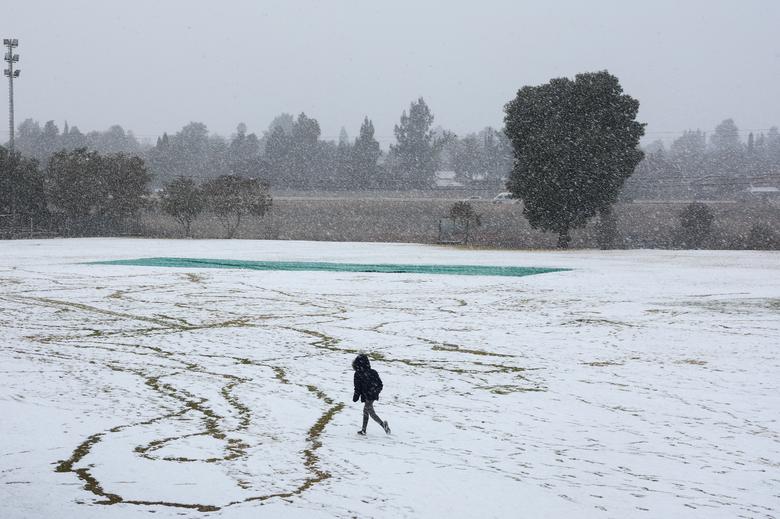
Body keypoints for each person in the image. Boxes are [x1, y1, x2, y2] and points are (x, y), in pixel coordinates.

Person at [352, 353, 390, 436]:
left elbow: (357, 387)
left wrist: (356, 396)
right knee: (366, 410)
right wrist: (374, 391)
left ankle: (383, 425)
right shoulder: (372, 372)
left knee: (369, 411)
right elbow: (379, 384)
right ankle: (363, 430)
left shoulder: (359, 374)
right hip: (371, 394)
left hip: (369, 395)